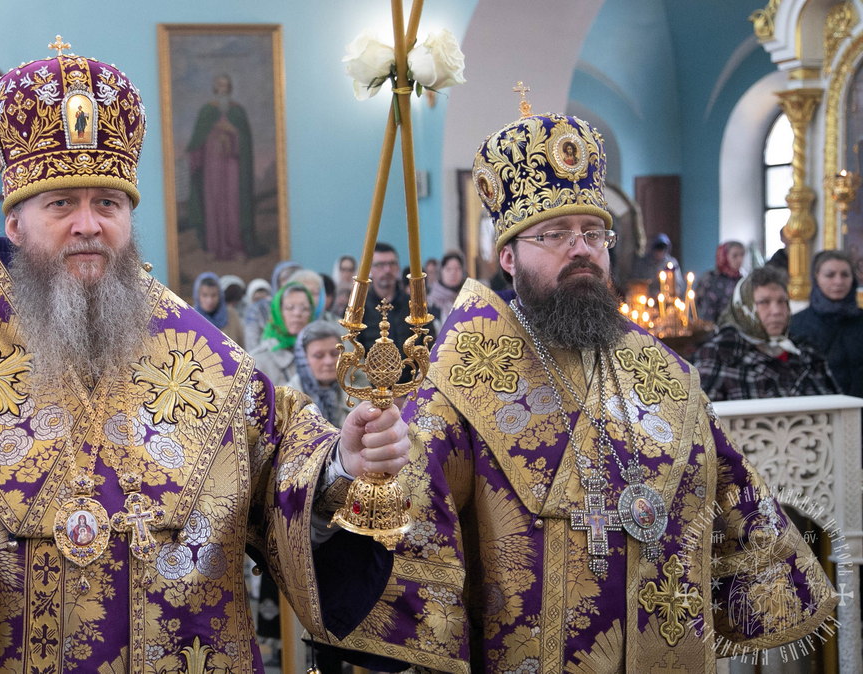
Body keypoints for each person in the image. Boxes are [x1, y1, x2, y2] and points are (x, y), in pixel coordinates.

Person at [0, 48, 410, 673]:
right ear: (15, 224)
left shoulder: (205, 358)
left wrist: (344, 465)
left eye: (107, 202)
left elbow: (285, 460)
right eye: (60, 203)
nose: (88, 224)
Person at [319, 110, 835, 671]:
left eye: (594, 233)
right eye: (556, 234)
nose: (581, 248)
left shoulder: (660, 368)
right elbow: (413, 509)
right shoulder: (463, 375)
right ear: (509, 257)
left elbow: (732, 489)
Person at [694, 266, 840, 401]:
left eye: (782, 301)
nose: (776, 311)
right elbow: (701, 415)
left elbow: (837, 406)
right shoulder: (721, 354)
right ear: (743, 308)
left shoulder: (806, 352)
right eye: (764, 302)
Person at [186, 72, 259, 260]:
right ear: (215, 88)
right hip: (212, 166)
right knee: (213, 204)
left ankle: (236, 247)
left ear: (229, 88)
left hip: (232, 166)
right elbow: (197, 140)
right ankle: (213, 248)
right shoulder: (207, 111)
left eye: (225, 85)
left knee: (233, 205)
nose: (222, 89)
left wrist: (233, 131)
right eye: (219, 85)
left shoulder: (237, 111)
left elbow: (245, 140)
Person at [790, 249, 863, 397]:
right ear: (816, 277)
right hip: (819, 406)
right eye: (830, 275)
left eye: (845, 275)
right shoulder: (796, 324)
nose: (838, 281)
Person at [285, 321, 350, 426]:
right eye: (319, 355)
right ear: (303, 359)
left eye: (334, 354)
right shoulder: (285, 402)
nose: (329, 361)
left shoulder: (356, 396)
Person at [358, 242, 418, 354]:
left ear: (398, 267)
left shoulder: (413, 305)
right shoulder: (359, 308)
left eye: (392, 264)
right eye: (380, 265)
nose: (387, 270)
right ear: (370, 269)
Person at [251, 282, 314, 385]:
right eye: (290, 307)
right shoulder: (258, 360)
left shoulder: (320, 352)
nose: (297, 313)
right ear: (278, 311)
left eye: (304, 308)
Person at [243, 260, 301, 351]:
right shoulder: (260, 309)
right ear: (277, 283)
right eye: (285, 278)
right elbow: (252, 346)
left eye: (296, 278)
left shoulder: (308, 307)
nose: (291, 282)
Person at [692, 240, 744, 323]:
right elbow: (703, 312)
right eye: (735, 256)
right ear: (724, 256)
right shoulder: (710, 279)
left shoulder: (742, 280)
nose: (740, 260)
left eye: (742, 255)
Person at [192, 271, 244, 345]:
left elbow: (241, 345)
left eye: (214, 295)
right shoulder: (191, 317)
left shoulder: (231, 315)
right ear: (197, 296)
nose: (209, 300)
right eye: (205, 295)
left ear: (220, 295)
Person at [427, 250, 465, 319]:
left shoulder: (469, 298)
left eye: (457, 269)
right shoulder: (431, 304)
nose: (453, 273)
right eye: (448, 269)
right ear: (441, 271)